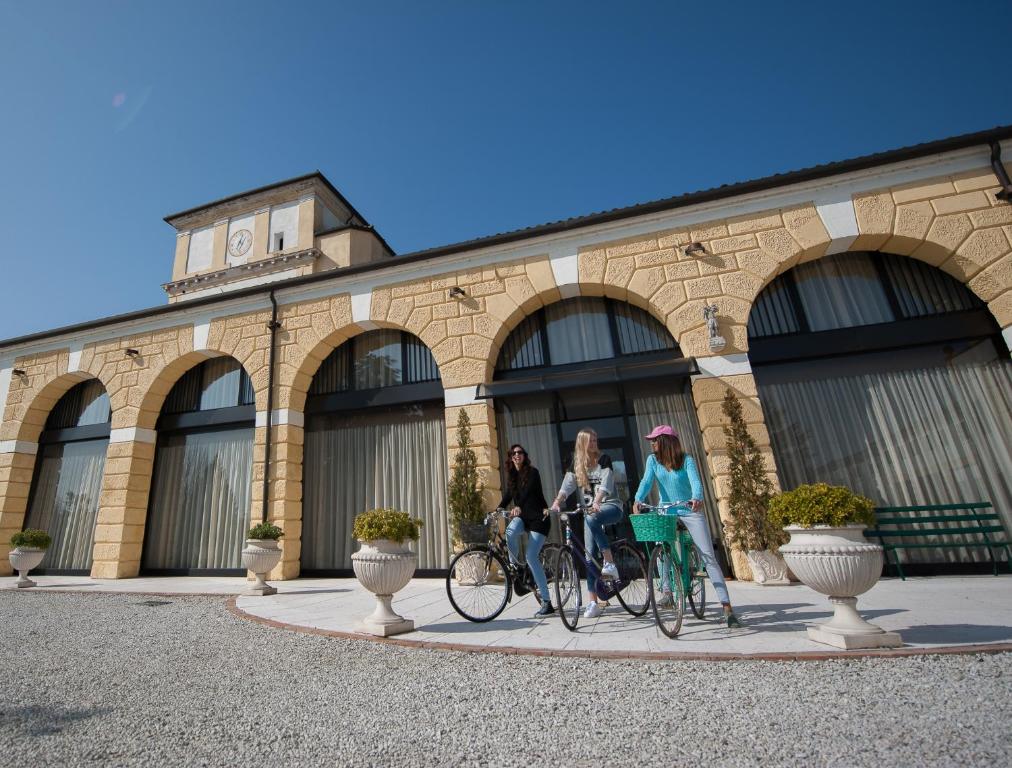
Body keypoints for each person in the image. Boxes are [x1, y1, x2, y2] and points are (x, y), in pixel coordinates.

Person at [633, 425, 743, 629]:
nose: (652, 444)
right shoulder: (652, 461)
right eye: (652, 441)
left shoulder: (687, 460)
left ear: (666, 441)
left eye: (655, 440)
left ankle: (727, 607)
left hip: (689, 509)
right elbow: (646, 482)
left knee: (709, 557)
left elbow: (696, 483)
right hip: (667, 510)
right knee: (662, 549)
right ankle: (667, 593)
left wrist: (697, 498)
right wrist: (638, 499)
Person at [550, 428, 622, 619]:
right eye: (590, 441)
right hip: (590, 515)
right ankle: (593, 603)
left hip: (610, 506)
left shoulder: (604, 459)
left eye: (595, 440)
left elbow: (606, 485)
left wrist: (597, 501)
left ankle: (609, 562)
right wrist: (557, 502)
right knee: (588, 557)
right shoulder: (577, 464)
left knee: (592, 517)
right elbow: (567, 486)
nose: (594, 443)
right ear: (582, 443)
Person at [498, 443, 555, 617]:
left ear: (524, 455)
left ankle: (547, 602)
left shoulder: (532, 472)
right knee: (510, 532)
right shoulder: (512, 476)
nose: (517, 455)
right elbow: (509, 495)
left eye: (520, 452)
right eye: (514, 453)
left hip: (539, 518)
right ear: (510, 457)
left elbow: (528, 493)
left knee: (531, 556)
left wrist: (518, 507)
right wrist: (498, 508)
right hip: (524, 518)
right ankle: (517, 569)